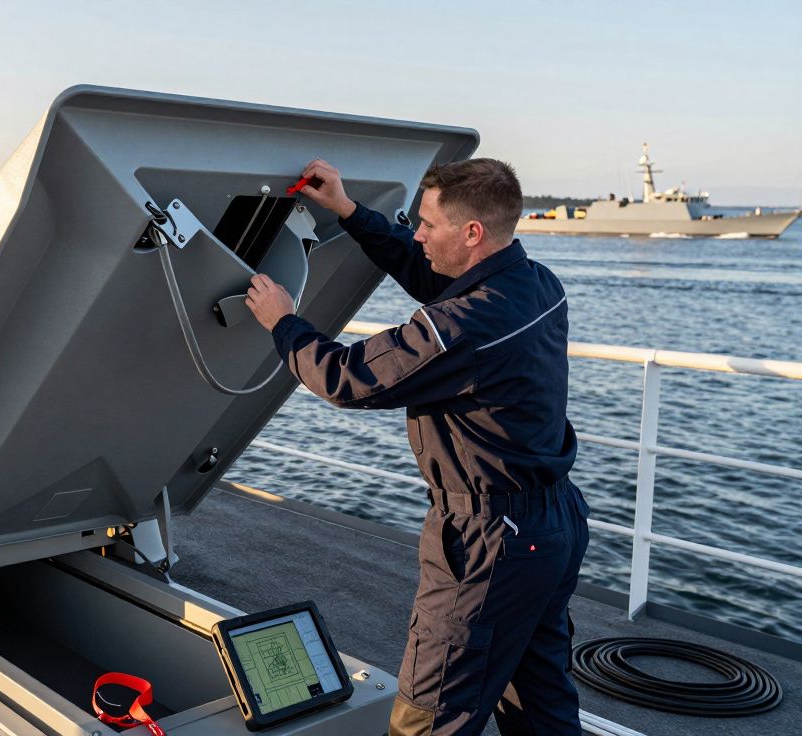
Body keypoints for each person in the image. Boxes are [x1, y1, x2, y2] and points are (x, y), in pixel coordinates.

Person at [244, 158, 590, 735]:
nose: (419, 234)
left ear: (472, 232)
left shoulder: (463, 326)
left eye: (428, 224)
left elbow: (347, 379)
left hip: (487, 543)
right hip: (551, 528)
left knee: (428, 717)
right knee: (540, 697)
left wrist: (285, 323)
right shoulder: (538, 285)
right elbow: (427, 269)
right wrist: (350, 212)